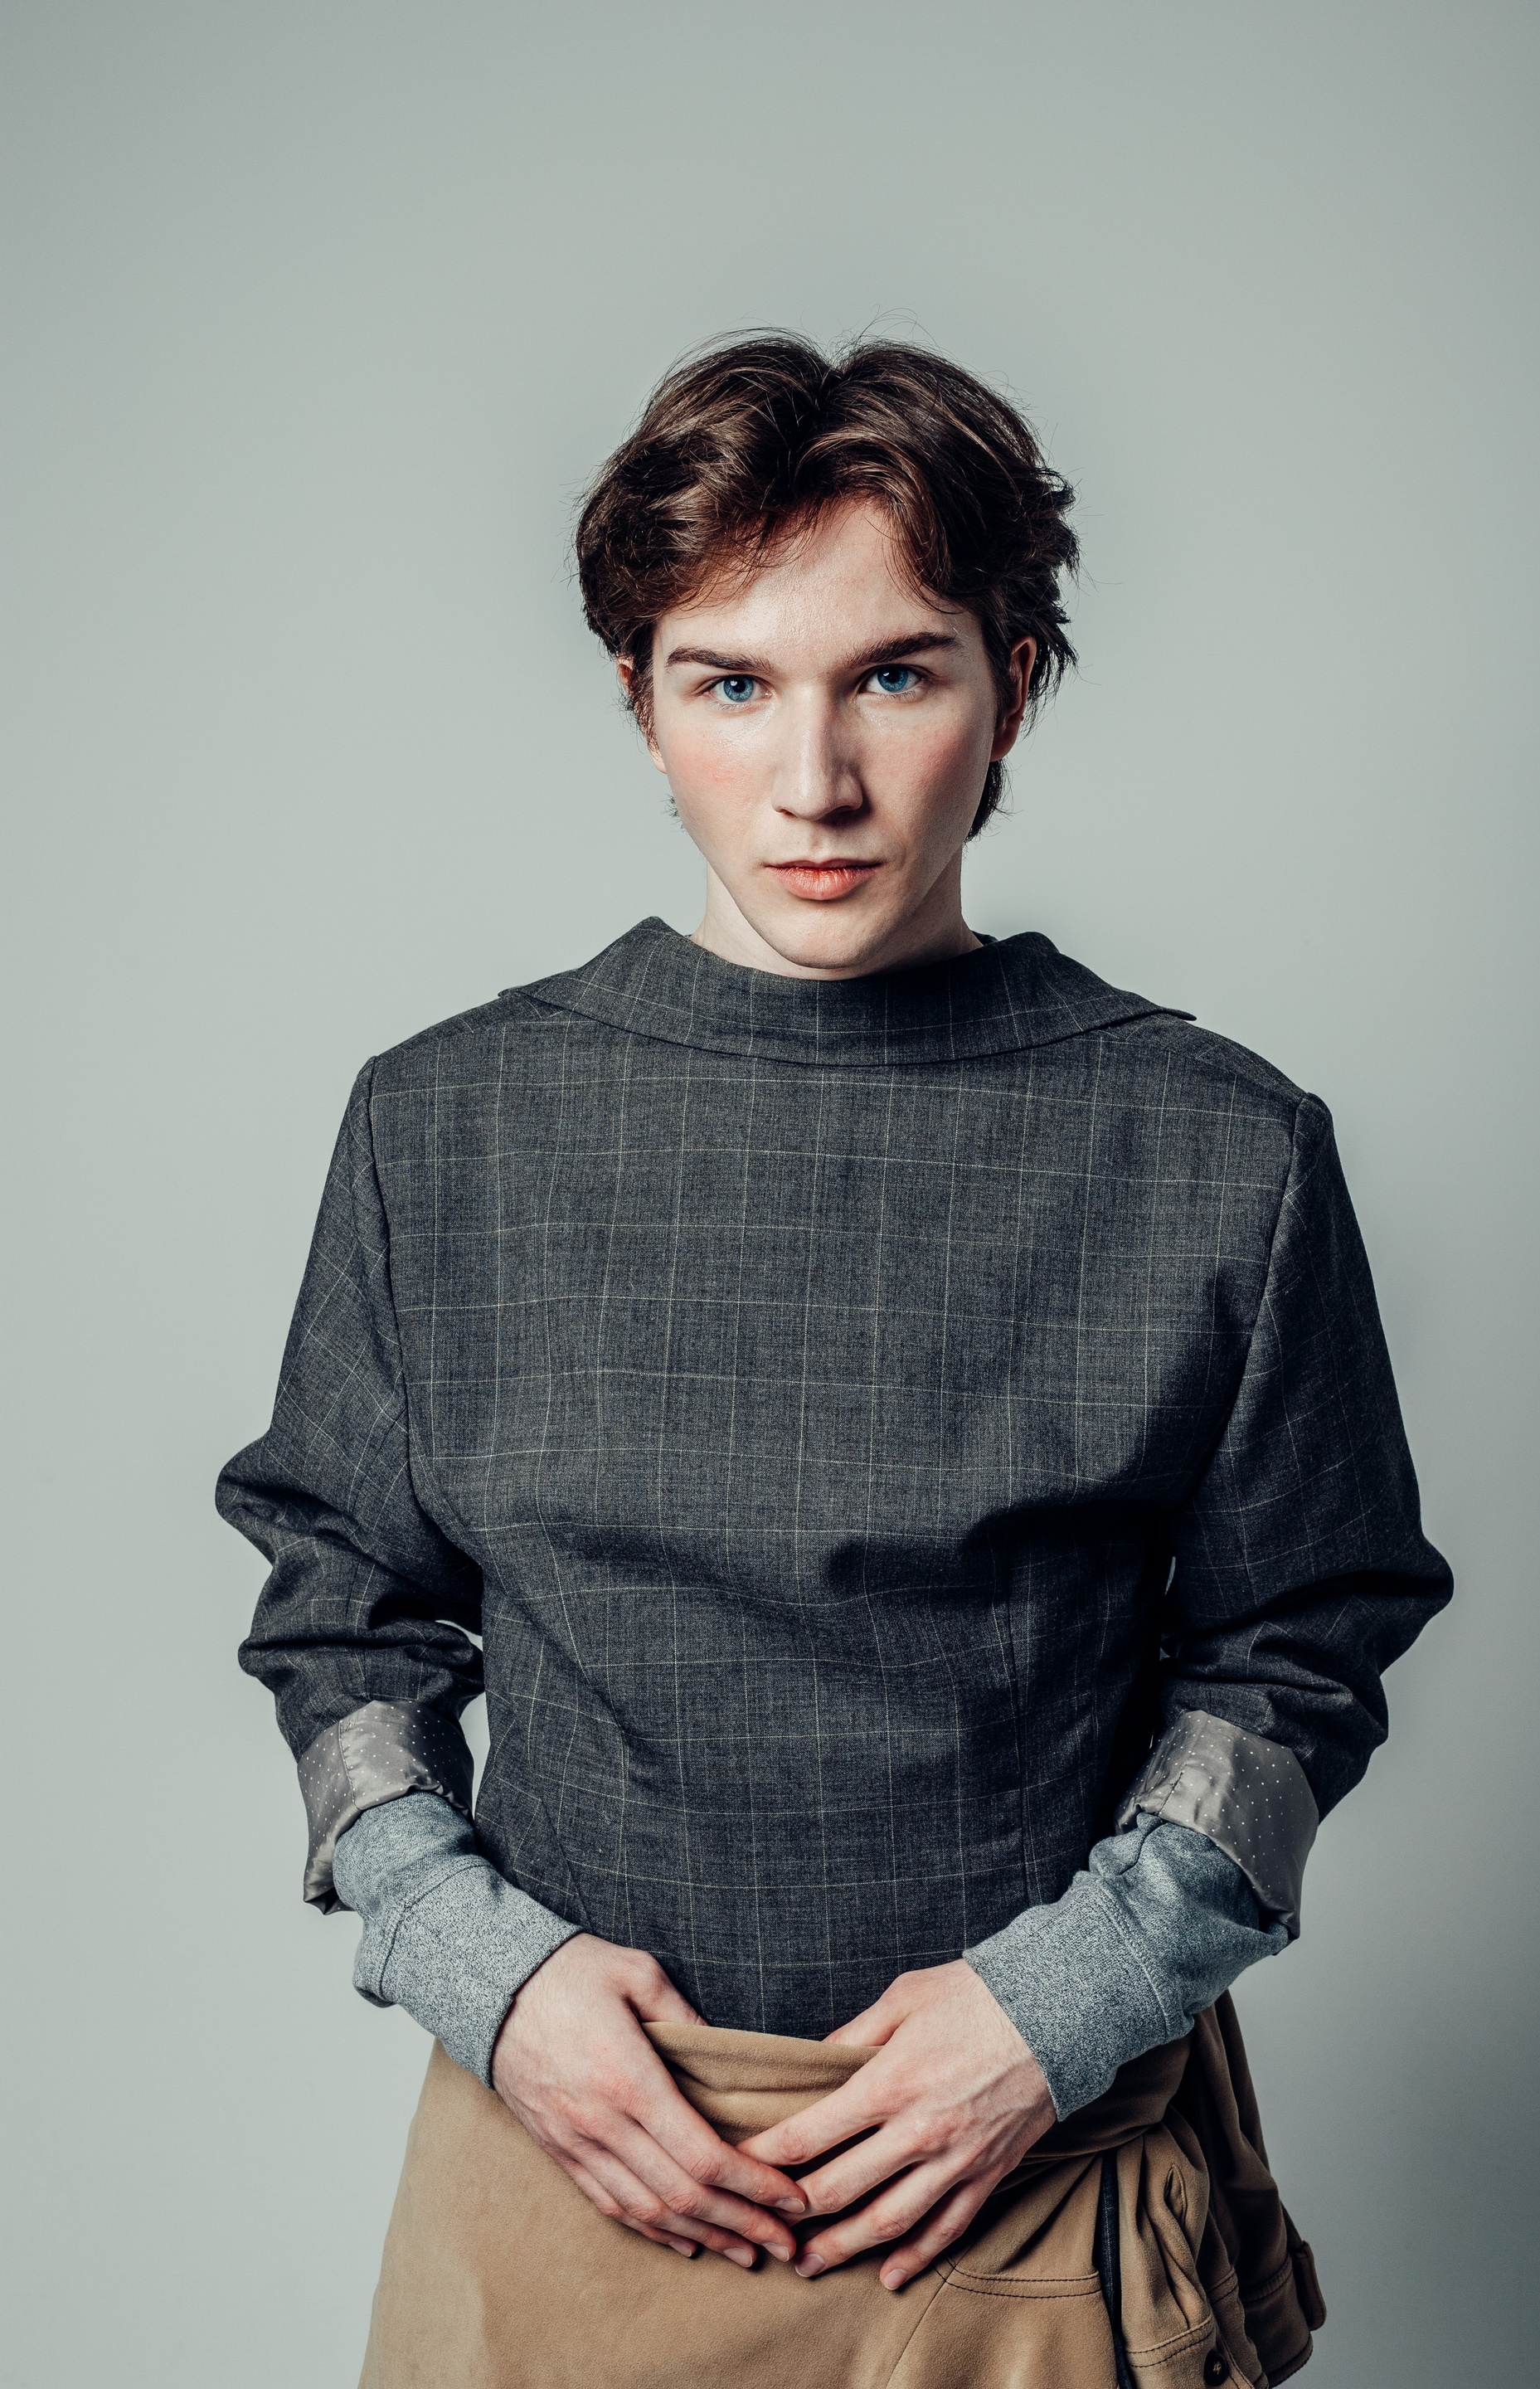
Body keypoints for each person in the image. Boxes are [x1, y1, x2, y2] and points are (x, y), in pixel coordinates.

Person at [218, 334, 1450, 2380]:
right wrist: (475, 1963)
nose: (815, 782)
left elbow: (1304, 1644)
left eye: (894, 675)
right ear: (638, 703)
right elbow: (340, 1614)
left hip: (1020, 2181)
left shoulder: (1220, 1149)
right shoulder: (445, 1125)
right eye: (730, 685)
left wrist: (1064, 2005)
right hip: (567, 2162)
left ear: (1012, 689)